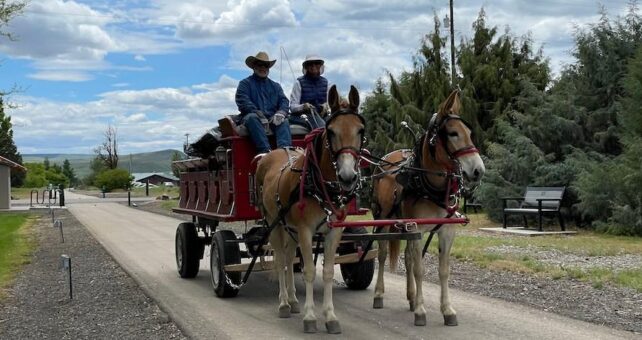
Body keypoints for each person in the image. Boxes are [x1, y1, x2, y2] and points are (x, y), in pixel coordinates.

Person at [235, 51, 291, 154]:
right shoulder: (245, 84)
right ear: (254, 67)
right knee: (252, 118)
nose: (263, 68)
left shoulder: (276, 86)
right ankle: (265, 152)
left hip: (271, 118)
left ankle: (284, 153)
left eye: (265, 65)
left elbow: (284, 100)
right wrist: (259, 114)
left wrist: (281, 113)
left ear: (268, 68)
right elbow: (243, 101)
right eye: (260, 65)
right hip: (252, 117)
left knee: (284, 121)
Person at [289, 54, 327, 130]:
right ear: (306, 67)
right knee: (321, 127)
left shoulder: (326, 83)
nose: (313, 66)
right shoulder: (299, 83)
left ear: (320, 66)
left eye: (316, 63)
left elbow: (330, 102)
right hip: (302, 116)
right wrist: (303, 106)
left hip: (322, 115)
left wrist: (326, 106)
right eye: (310, 64)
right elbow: (292, 107)